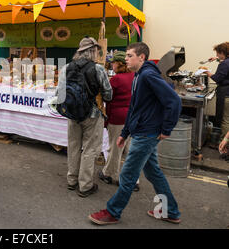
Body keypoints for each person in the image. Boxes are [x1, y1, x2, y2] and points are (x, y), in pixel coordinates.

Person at [89, 42, 182, 225]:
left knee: (128, 175)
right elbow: (135, 108)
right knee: (153, 173)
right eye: (126, 56)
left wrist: (166, 129)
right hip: (141, 130)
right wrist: (125, 132)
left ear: (142, 57)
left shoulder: (147, 75)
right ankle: (171, 211)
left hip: (146, 133)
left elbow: (174, 101)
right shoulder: (139, 75)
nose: (126, 59)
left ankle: (113, 212)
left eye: (130, 55)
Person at [61, 36, 112, 198]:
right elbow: (108, 94)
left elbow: (59, 94)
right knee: (90, 149)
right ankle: (85, 185)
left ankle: (72, 180)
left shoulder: (67, 68)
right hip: (93, 114)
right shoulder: (98, 69)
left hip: (72, 114)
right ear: (93, 51)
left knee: (74, 146)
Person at [98, 51, 139, 191]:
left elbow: (108, 98)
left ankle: (111, 175)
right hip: (133, 117)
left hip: (118, 117)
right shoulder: (135, 76)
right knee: (130, 150)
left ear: (119, 64)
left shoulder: (116, 80)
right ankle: (133, 179)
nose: (111, 64)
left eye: (113, 62)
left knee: (116, 148)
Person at [204, 42, 229, 136]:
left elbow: (217, 78)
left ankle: (225, 144)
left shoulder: (225, 64)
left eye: (217, 53)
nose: (216, 55)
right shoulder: (226, 62)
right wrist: (218, 59)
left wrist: (206, 71)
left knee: (225, 120)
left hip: (226, 94)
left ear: (222, 52)